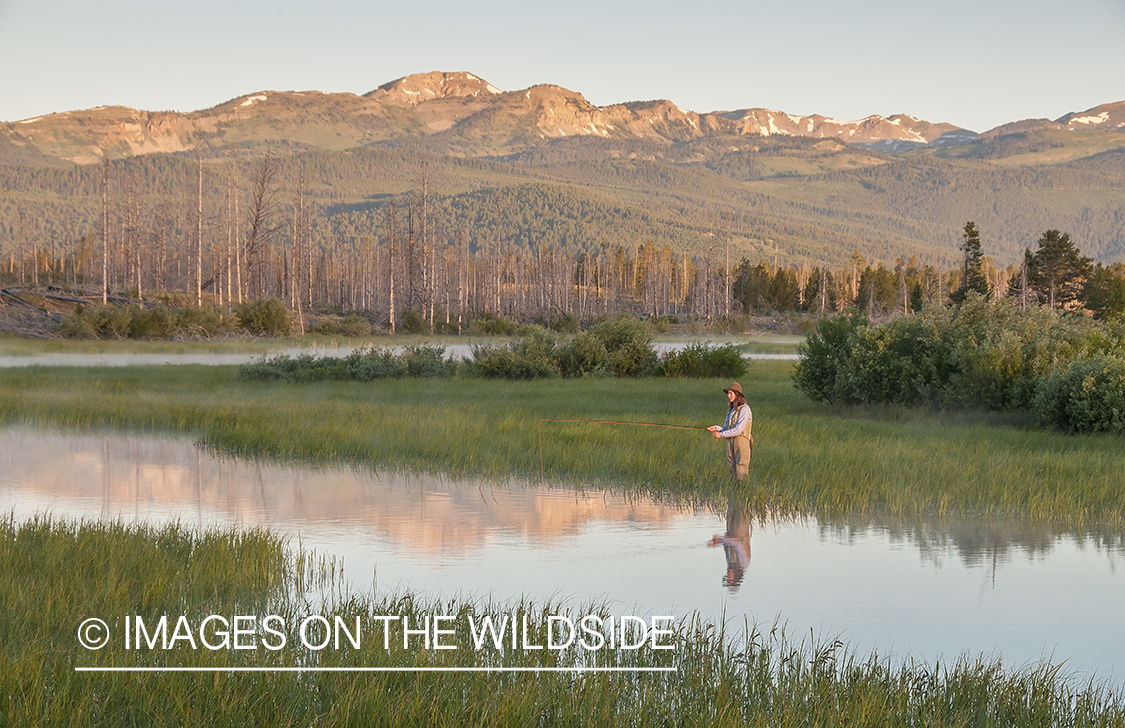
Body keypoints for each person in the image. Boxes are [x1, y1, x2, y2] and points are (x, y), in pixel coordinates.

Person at [707, 382, 752, 480]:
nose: (729, 395)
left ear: (738, 395)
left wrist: (721, 434)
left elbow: (738, 430)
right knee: (731, 468)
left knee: (741, 468)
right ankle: (734, 491)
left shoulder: (745, 409)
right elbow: (726, 428)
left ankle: (744, 491)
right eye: (728, 393)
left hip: (741, 442)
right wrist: (716, 428)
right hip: (730, 441)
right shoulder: (731, 410)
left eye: (731, 393)